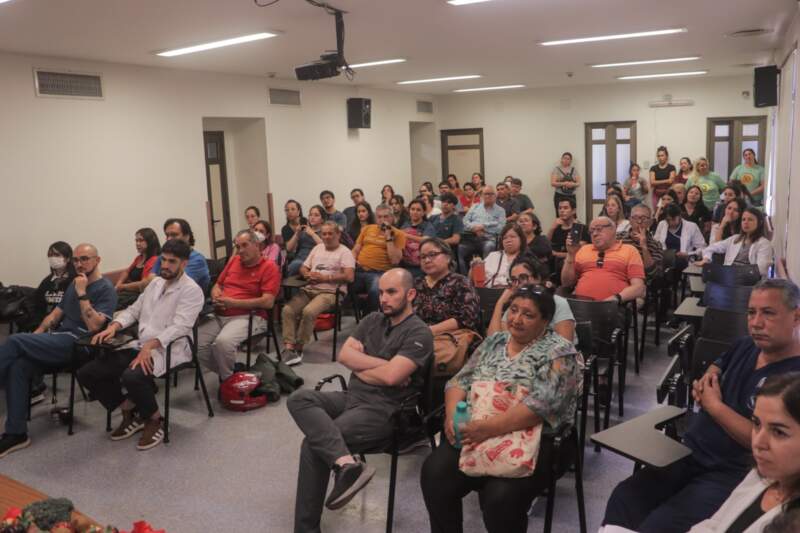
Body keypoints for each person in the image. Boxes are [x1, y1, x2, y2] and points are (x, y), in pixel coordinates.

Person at [602, 279, 800, 533]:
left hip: (731, 471)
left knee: (660, 525)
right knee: (625, 498)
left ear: (796, 317)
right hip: (690, 454)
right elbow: (719, 361)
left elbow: (764, 437)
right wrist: (709, 375)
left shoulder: (792, 381)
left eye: (768, 313)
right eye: (751, 312)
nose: (756, 323)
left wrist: (714, 406)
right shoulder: (747, 345)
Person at [420, 286, 580, 533]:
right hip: (477, 432)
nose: (516, 319)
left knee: (500, 498)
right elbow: (459, 382)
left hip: (535, 440)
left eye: (528, 314)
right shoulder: (495, 341)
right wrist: (452, 416)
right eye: (513, 310)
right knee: (435, 474)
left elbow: (541, 407)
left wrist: (486, 429)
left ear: (545, 321)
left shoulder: (559, 351)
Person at [287, 269, 433, 533]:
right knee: (300, 398)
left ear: (410, 294)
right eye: (382, 292)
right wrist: (385, 367)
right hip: (353, 396)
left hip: (386, 410)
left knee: (314, 445)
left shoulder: (419, 333)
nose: (384, 298)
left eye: (392, 292)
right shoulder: (372, 320)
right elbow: (345, 356)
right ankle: (347, 464)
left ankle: (306, 528)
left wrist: (366, 367)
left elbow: (391, 379)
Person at [76, 239, 204, 451]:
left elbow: (180, 327)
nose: (165, 266)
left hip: (171, 347)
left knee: (132, 375)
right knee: (88, 372)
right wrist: (114, 326)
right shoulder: (155, 283)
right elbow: (134, 310)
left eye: (172, 262)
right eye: (163, 260)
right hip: (142, 344)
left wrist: (151, 346)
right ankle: (130, 410)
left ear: (184, 263)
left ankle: (155, 420)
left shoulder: (192, 290)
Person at [0, 243, 117, 457]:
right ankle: (16, 434)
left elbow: (95, 327)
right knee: (19, 365)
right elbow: (54, 315)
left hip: (81, 346)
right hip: (59, 339)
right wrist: (35, 336)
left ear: (97, 260)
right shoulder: (73, 284)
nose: (80, 264)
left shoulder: (106, 289)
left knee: (15, 341)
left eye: (85, 259)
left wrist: (83, 294)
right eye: (76, 260)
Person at [685, 373, 800, 532]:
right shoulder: (762, 476)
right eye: (756, 424)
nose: (758, 443)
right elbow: (714, 525)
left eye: (779, 432)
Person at [196, 229, 280, 382]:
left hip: (249, 315)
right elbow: (218, 284)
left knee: (223, 343)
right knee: (195, 344)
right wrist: (215, 294)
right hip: (221, 312)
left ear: (257, 245)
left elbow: (268, 302)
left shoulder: (269, 267)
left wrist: (233, 303)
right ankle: (233, 375)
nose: (240, 251)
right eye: (238, 246)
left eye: (244, 245)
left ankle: (228, 380)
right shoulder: (234, 261)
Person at [281, 222, 355, 366]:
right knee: (287, 310)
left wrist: (326, 278)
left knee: (308, 311)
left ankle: (298, 348)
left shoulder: (345, 252)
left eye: (330, 234)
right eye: (324, 234)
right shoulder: (317, 248)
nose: (326, 237)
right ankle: (289, 348)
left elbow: (350, 276)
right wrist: (307, 274)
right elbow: (303, 267)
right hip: (311, 288)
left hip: (331, 291)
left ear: (338, 235)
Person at [488, 255, 576, 342]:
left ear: (538, 278)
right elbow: (493, 343)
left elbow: (566, 347)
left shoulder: (558, 303)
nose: (518, 284)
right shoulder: (515, 305)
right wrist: (500, 303)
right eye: (514, 280)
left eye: (523, 278)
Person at [561, 216, 646, 303]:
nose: (594, 234)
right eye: (591, 231)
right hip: (581, 306)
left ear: (613, 229)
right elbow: (567, 283)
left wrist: (616, 298)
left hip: (614, 307)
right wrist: (571, 255)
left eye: (599, 229)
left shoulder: (629, 250)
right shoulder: (583, 249)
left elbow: (639, 288)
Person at [414, 238, 480, 336]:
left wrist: (429, 331)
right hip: (418, 337)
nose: (427, 260)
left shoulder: (461, 282)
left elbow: (467, 317)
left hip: (451, 339)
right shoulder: (417, 283)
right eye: (423, 257)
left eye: (432, 255)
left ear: (448, 258)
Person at [351, 204, 407, 312]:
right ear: (376, 218)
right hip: (359, 270)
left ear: (392, 218)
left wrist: (388, 237)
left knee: (376, 290)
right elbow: (355, 250)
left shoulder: (399, 234)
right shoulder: (367, 229)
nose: (382, 220)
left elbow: (395, 260)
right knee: (340, 286)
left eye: (386, 217)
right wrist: (352, 262)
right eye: (379, 217)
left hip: (379, 273)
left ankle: (368, 319)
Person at [699, 207, 773, 277]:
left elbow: (761, 269)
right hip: (728, 278)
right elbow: (710, 248)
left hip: (749, 283)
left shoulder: (764, 244)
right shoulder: (735, 239)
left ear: (759, 222)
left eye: (750, 219)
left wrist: (737, 273)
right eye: (743, 219)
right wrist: (706, 259)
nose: (746, 222)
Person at [145, 218, 210, 293]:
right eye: (167, 235)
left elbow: (175, 285)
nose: (169, 239)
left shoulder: (197, 260)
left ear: (187, 236)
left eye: (174, 235)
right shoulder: (164, 256)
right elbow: (149, 280)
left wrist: (156, 281)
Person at [458, 185, 507, 273]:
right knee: (460, 248)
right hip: (471, 238)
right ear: (481, 196)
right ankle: (465, 277)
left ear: (495, 196)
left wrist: (483, 226)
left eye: (491, 194)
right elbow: (464, 222)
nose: (488, 196)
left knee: (489, 246)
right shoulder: (475, 207)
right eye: (485, 194)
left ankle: (485, 275)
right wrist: (475, 228)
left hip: (489, 239)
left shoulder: (501, 211)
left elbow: (501, 228)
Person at [548, 197, 590, 284]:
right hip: (554, 263)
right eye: (560, 208)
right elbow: (546, 247)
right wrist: (552, 228)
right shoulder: (556, 228)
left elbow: (579, 252)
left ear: (573, 211)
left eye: (565, 208)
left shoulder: (581, 228)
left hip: (572, 262)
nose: (562, 211)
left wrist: (557, 254)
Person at [618, 203, 664, 281]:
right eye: (635, 218)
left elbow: (653, 273)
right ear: (629, 220)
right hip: (616, 275)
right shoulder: (618, 237)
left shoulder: (656, 245)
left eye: (643, 218)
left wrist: (644, 246)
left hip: (637, 281)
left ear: (650, 222)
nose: (639, 221)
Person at [115, 228, 161, 295]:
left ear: (150, 241)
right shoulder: (139, 258)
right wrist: (118, 284)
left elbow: (143, 284)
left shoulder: (154, 259)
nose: (137, 244)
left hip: (139, 294)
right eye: (136, 241)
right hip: (127, 290)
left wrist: (123, 287)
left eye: (141, 240)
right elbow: (126, 272)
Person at [400, 199, 436, 277]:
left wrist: (406, 235)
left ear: (423, 213)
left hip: (420, 266)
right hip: (404, 263)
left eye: (418, 210)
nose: (415, 212)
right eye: (412, 209)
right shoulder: (405, 224)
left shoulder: (428, 226)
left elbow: (427, 240)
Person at [286, 204, 325, 277]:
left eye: (316, 215)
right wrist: (297, 233)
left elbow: (325, 247)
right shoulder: (303, 231)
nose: (312, 217)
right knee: (293, 266)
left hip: (315, 261)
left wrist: (313, 234)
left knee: (295, 265)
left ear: (322, 219)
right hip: (300, 259)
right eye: (310, 215)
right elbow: (289, 248)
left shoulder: (325, 232)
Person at [483, 223, 526, 288]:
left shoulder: (527, 258)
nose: (508, 240)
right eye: (505, 238)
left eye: (512, 236)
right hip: (489, 292)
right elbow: (475, 278)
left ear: (521, 239)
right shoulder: (492, 255)